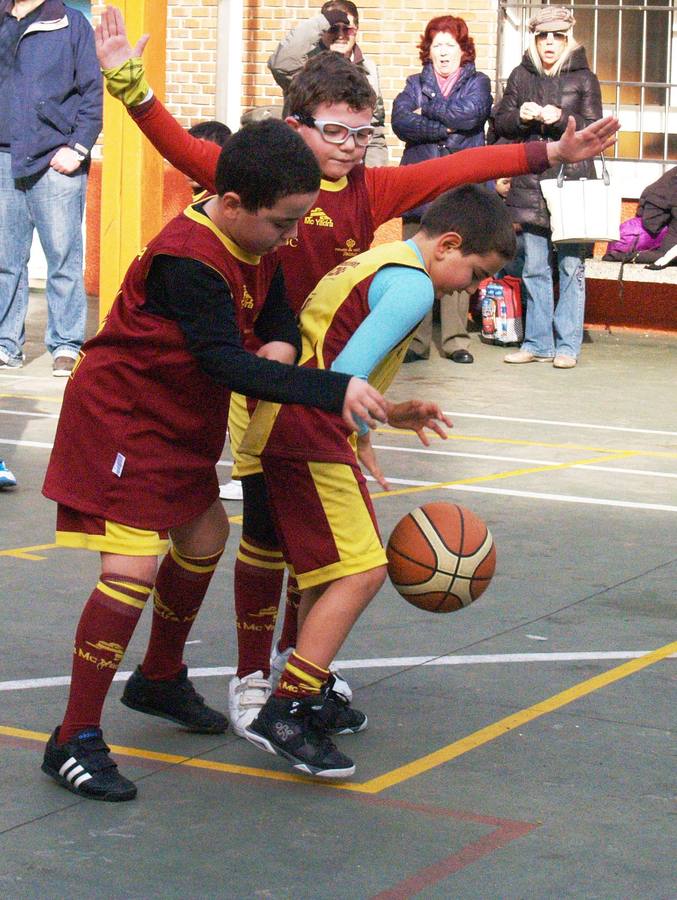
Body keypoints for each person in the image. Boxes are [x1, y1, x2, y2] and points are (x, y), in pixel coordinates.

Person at [95, 3, 619, 737]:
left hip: (322, 383)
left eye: (361, 134)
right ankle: (253, 677)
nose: (347, 147)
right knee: (265, 537)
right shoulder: (260, 177)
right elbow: (179, 146)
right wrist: (127, 81)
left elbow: (458, 165)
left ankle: (286, 664)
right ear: (299, 126)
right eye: (333, 131)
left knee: (298, 542)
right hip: (265, 373)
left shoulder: (370, 192)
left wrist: (546, 156)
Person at [39, 118, 434, 802]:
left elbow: (277, 306)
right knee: (131, 570)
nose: (290, 237)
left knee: (203, 537)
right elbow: (225, 361)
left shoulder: (257, 237)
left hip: (177, 417)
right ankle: (72, 737)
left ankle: (159, 677)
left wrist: (282, 342)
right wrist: (335, 387)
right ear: (231, 205)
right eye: (282, 223)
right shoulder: (189, 259)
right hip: (122, 422)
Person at [239, 185, 508, 777]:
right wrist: (360, 422)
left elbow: (341, 361)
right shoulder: (413, 286)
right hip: (306, 429)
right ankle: (286, 709)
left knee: (328, 569)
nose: (471, 286)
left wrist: (388, 414)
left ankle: (303, 690)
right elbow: (343, 376)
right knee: (363, 570)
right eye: (476, 272)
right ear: (449, 244)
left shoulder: (382, 259)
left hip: (290, 421)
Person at [491, 6, 603, 369]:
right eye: (543, 36)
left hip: (572, 182)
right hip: (529, 183)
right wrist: (520, 117)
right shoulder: (521, 75)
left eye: (557, 36)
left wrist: (563, 119)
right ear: (534, 39)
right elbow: (502, 122)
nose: (549, 43)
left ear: (568, 38)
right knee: (533, 265)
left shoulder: (586, 77)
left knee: (572, 266)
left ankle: (567, 344)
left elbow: (594, 128)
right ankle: (537, 342)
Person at [0, 0, 102, 376]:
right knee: (5, 260)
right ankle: (5, 343)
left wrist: (77, 148)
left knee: (63, 259)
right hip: (4, 158)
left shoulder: (70, 24)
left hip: (56, 161)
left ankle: (65, 344)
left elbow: (94, 92)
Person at [392, 15, 492, 364]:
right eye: (438, 46)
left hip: (460, 191)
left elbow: (471, 116)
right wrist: (443, 130)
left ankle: (454, 340)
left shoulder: (478, 82)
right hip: (419, 191)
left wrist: (430, 112)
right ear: (428, 51)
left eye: (451, 45)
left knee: (459, 263)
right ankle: (416, 343)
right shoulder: (412, 83)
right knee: (416, 266)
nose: (444, 53)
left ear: (464, 51)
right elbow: (401, 122)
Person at [268, 0, 387, 167]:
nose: (340, 34)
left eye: (347, 28)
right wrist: (324, 20)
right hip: (307, 169)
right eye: (333, 28)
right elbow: (280, 64)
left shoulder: (369, 70)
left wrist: (372, 176)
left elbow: (375, 130)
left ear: (356, 31)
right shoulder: (306, 66)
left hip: (350, 171)